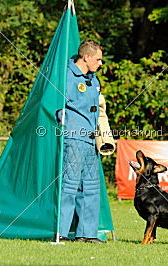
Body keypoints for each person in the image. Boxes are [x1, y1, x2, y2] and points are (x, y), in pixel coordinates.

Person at [58, 40, 111, 244]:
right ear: (86, 57)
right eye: (98, 59)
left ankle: (87, 234)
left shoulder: (94, 79)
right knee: (70, 186)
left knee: (90, 187)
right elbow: (56, 103)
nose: (100, 63)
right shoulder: (66, 76)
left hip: (91, 140)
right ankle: (61, 232)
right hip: (74, 138)